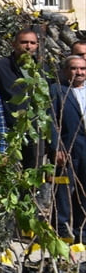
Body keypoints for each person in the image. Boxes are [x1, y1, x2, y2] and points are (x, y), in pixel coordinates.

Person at [51, 55, 86, 242]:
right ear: (66, 71)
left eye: (82, 69)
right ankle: (61, 228)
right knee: (63, 189)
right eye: (74, 69)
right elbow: (52, 121)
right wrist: (56, 147)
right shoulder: (58, 90)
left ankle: (82, 231)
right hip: (67, 148)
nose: (79, 73)